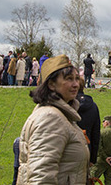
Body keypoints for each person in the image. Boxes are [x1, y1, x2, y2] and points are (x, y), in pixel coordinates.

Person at [17, 54, 89, 184]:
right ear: (51, 84)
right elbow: (41, 178)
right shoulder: (51, 119)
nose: (76, 84)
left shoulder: (62, 115)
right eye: (69, 79)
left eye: (76, 78)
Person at [90, 116, 111, 185]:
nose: (102, 124)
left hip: (100, 161)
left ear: (106, 123)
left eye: (103, 122)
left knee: (91, 179)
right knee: (108, 180)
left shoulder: (101, 133)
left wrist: (105, 157)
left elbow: (99, 147)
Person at [77, 77, 101, 167]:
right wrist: (93, 158)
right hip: (87, 149)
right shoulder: (93, 106)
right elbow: (96, 134)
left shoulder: (67, 104)